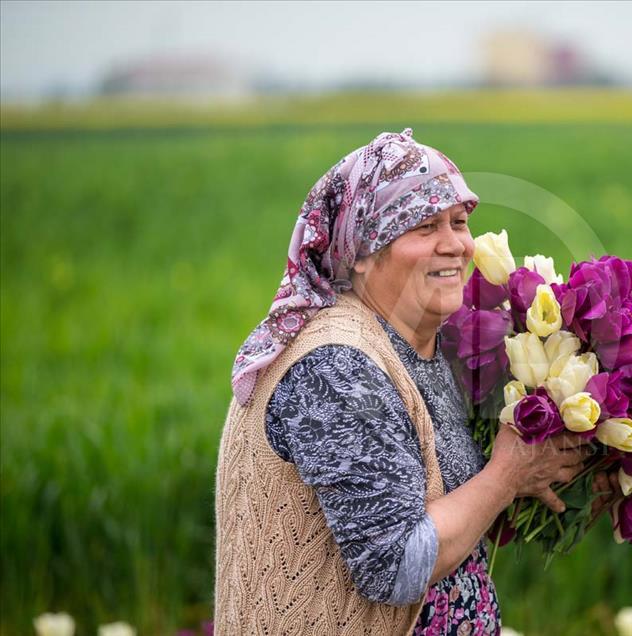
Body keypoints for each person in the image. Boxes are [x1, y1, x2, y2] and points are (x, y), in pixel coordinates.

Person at [214, 128, 599, 635]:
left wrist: (581, 464)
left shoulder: (419, 342)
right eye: (423, 227)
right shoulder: (336, 370)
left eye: (459, 222)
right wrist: (506, 474)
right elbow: (392, 564)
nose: (454, 245)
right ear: (362, 252)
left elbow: (439, 496)